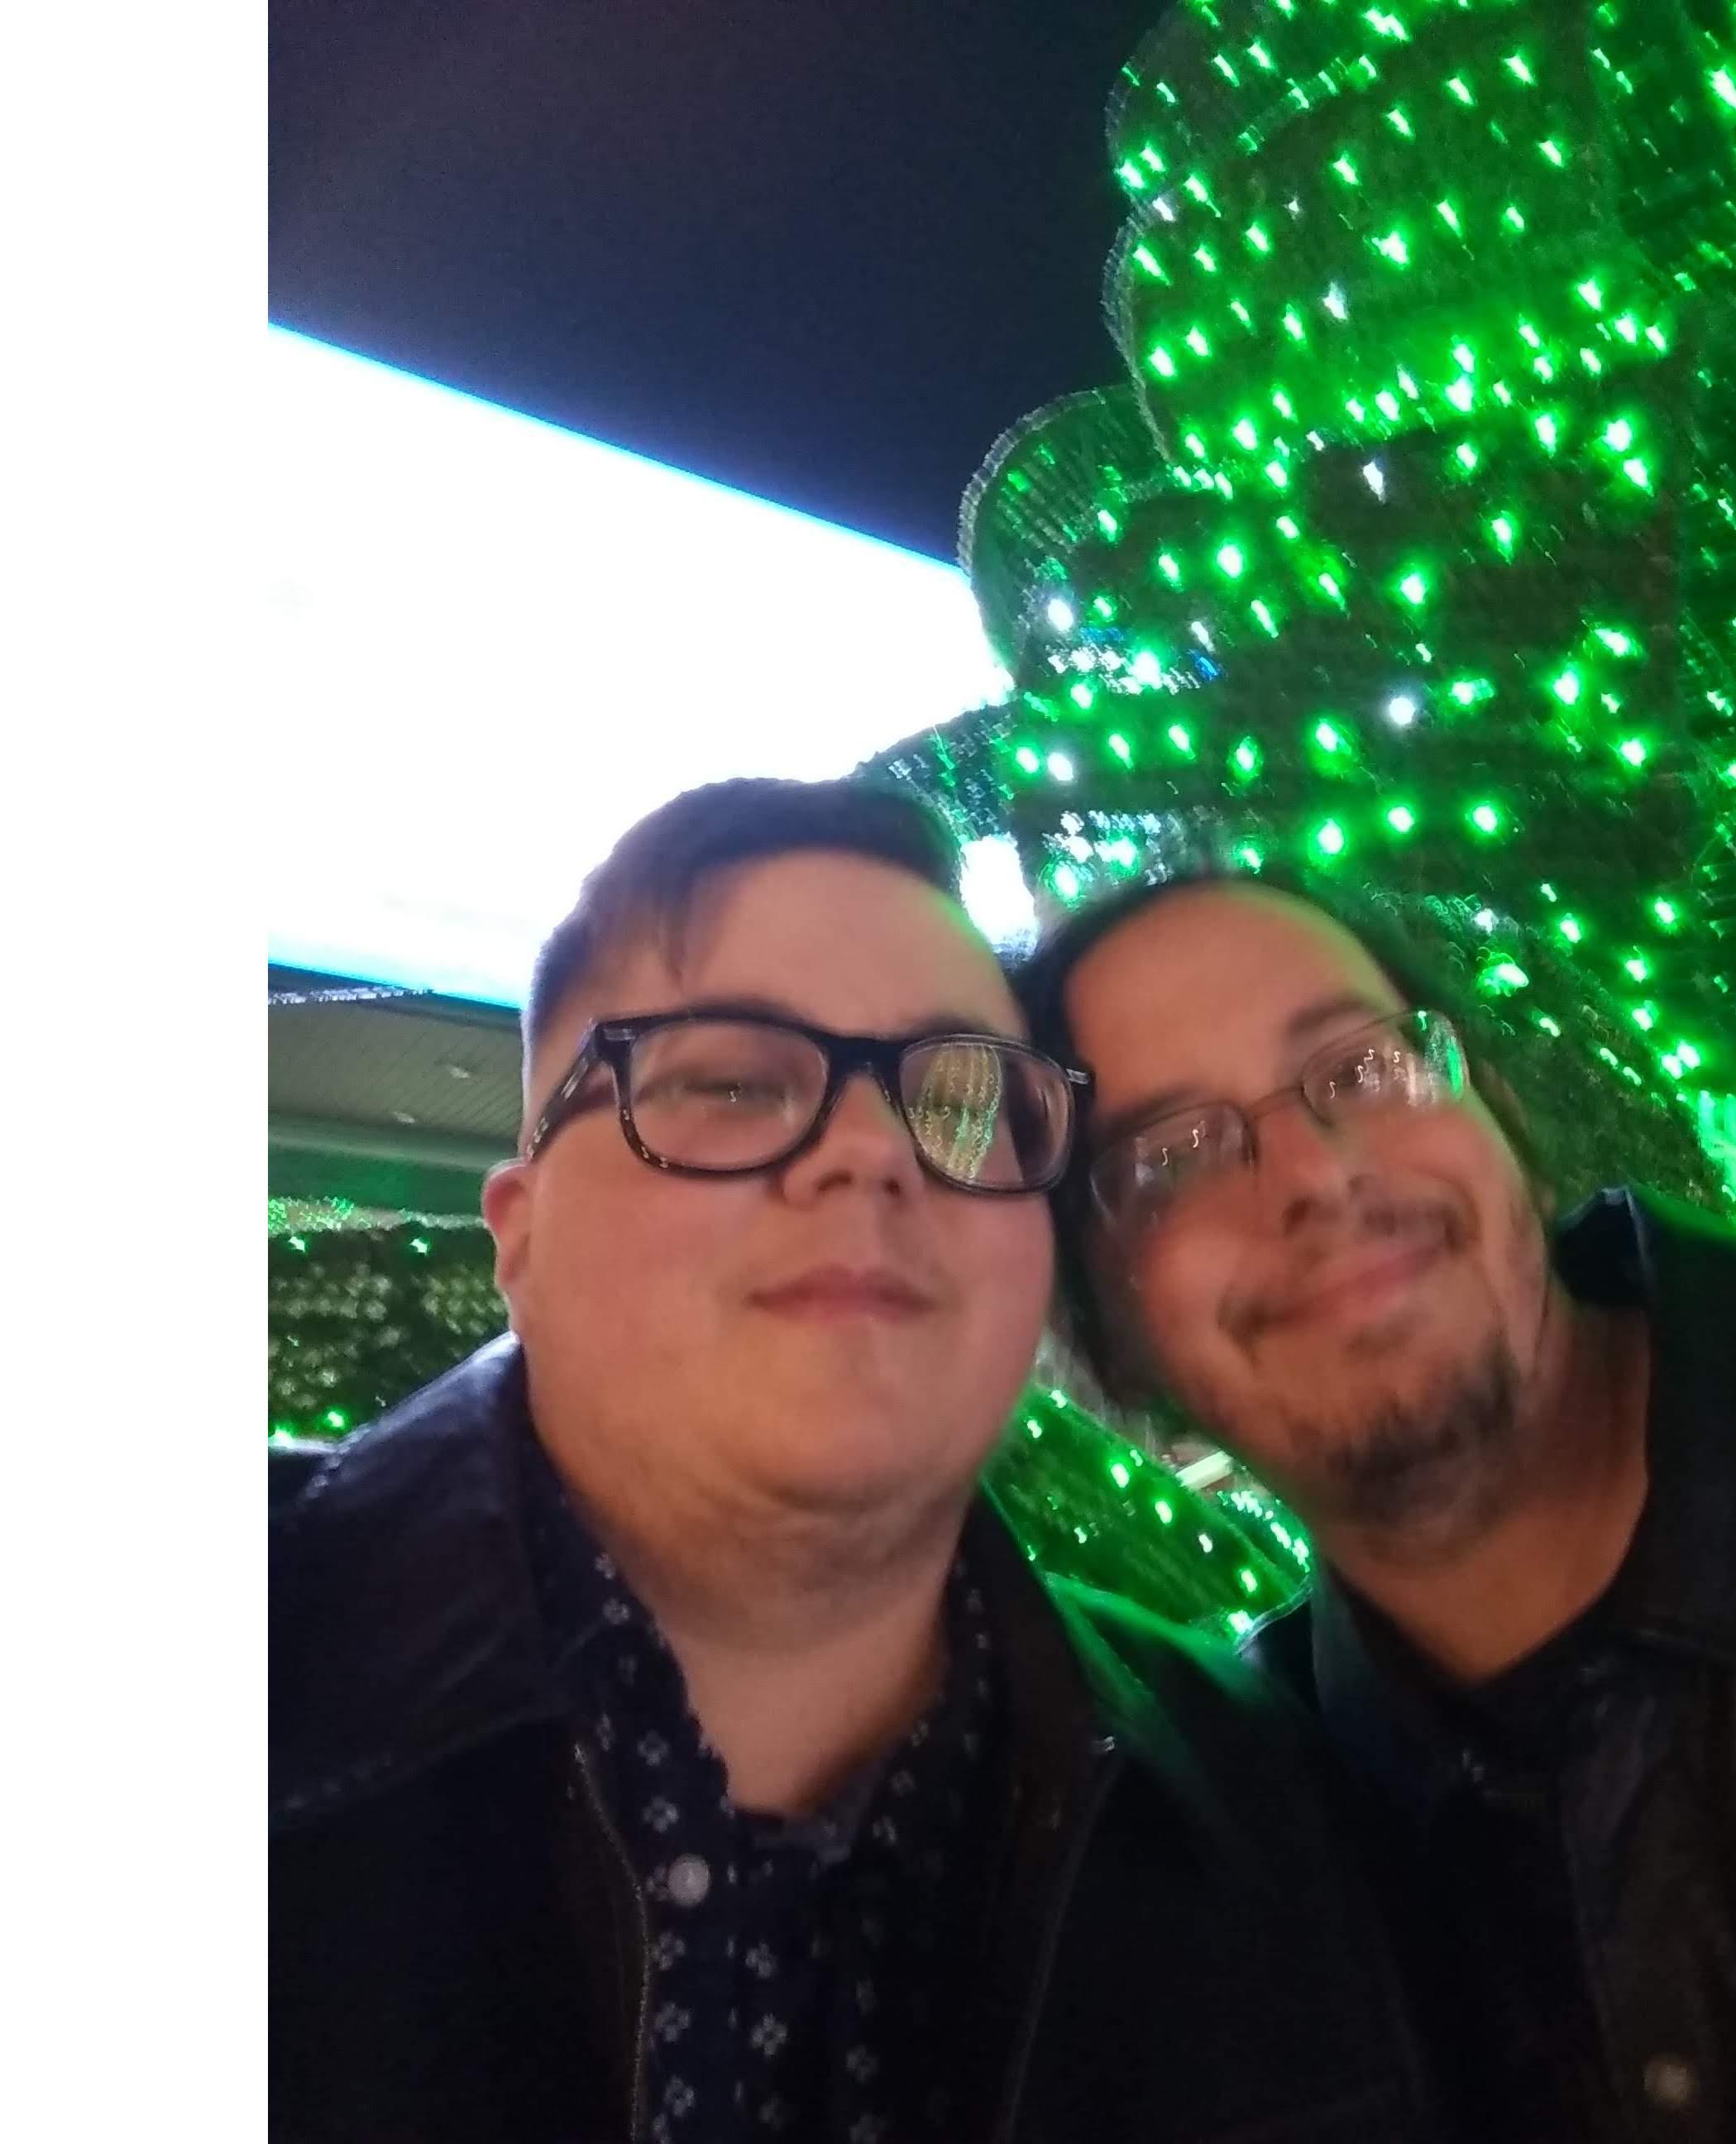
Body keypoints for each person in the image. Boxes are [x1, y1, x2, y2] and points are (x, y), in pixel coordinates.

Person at [269, 783, 1433, 2144]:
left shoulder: (1284, 1809)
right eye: (729, 1082)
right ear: (518, 1233)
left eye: (959, 1097)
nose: (878, 1151)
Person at [1016, 866, 1736, 2144]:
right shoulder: (1234, 1882)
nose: (1313, 1176)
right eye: (1170, 1160)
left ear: (1499, 1108)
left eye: (1362, 1069)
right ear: (1108, 1351)